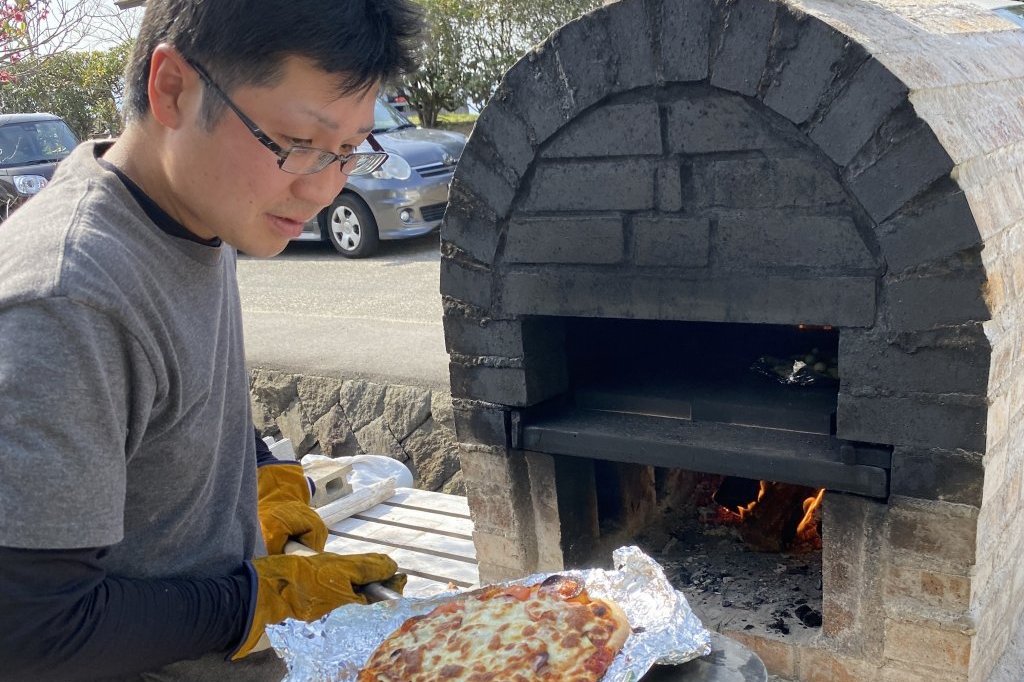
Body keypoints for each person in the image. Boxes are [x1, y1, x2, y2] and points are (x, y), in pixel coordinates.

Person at [0, 1, 420, 680]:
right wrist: (258, 600)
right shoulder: (69, 300)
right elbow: (31, 630)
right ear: (172, 88)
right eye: (297, 142)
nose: (321, 188)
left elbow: (175, 395)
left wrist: (262, 471)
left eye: (348, 151)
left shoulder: (197, 210)